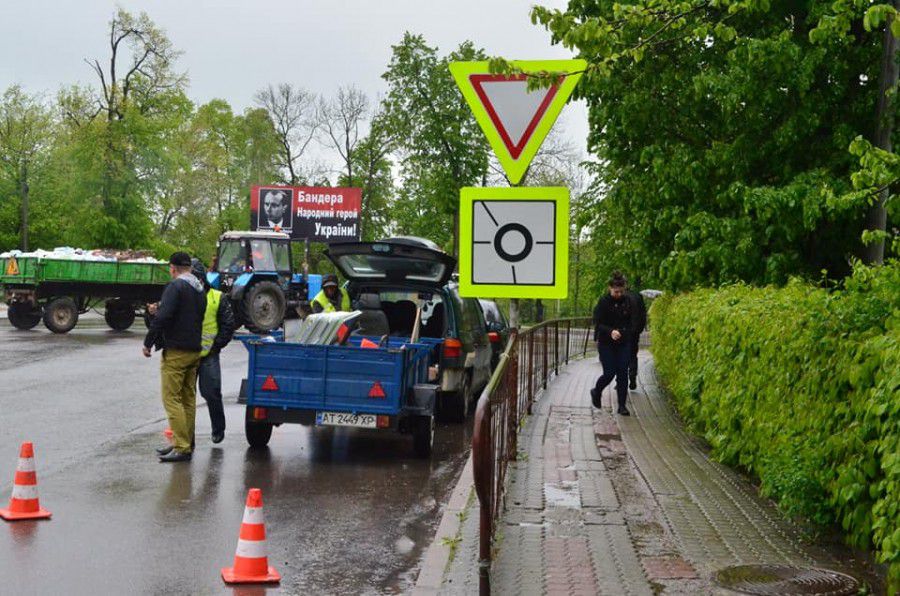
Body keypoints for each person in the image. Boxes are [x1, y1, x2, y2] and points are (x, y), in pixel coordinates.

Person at [143, 252, 207, 462]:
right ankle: (186, 442)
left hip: (177, 351)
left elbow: (165, 316)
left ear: (173, 268)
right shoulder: (199, 289)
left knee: (171, 399)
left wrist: (148, 341)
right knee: (188, 399)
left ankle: (181, 446)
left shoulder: (176, 286)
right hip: (194, 350)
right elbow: (185, 314)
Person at [191, 258, 236, 444]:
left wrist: (216, 346)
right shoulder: (184, 295)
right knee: (185, 399)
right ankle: (187, 438)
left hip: (209, 354)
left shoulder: (218, 297)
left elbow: (228, 325)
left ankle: (218, 429)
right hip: (187, 354)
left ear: (201, 278)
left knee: (212, 393)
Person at [590, 272, 633, 416]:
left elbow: (633, 321)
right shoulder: (603, 302)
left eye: (621, 291)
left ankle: (622, 405)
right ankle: (597, 391)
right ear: (610, 288)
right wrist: (611, 332)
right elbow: (597, 322)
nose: (619, 294)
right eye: (616, 292)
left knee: (622, 373)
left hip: (623, 342)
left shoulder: (628, 301)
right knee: (609, 373)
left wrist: (625, 332)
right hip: (606, 342)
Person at [622, 285, 647, 390]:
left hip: (622, 331)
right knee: (632, 354)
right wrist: (639, 329)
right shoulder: (637, 296)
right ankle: (632, 376)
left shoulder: (619, 297)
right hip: (634, 332)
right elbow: (643, 314)